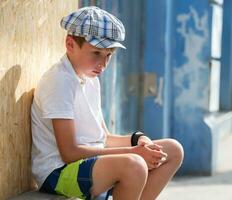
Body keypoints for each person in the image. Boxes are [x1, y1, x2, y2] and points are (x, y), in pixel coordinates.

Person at [31, 6, 184, 200]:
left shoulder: (91, 80)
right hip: (58, 173)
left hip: (90, 164)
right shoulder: (60, 81)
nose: (103, 64)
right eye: (96, 53)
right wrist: (133, 152)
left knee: (173, 149)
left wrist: (138, 140)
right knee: (134, 164)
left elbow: (103, 138)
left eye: (108, 55)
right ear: (70, 44)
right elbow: (69, 153)